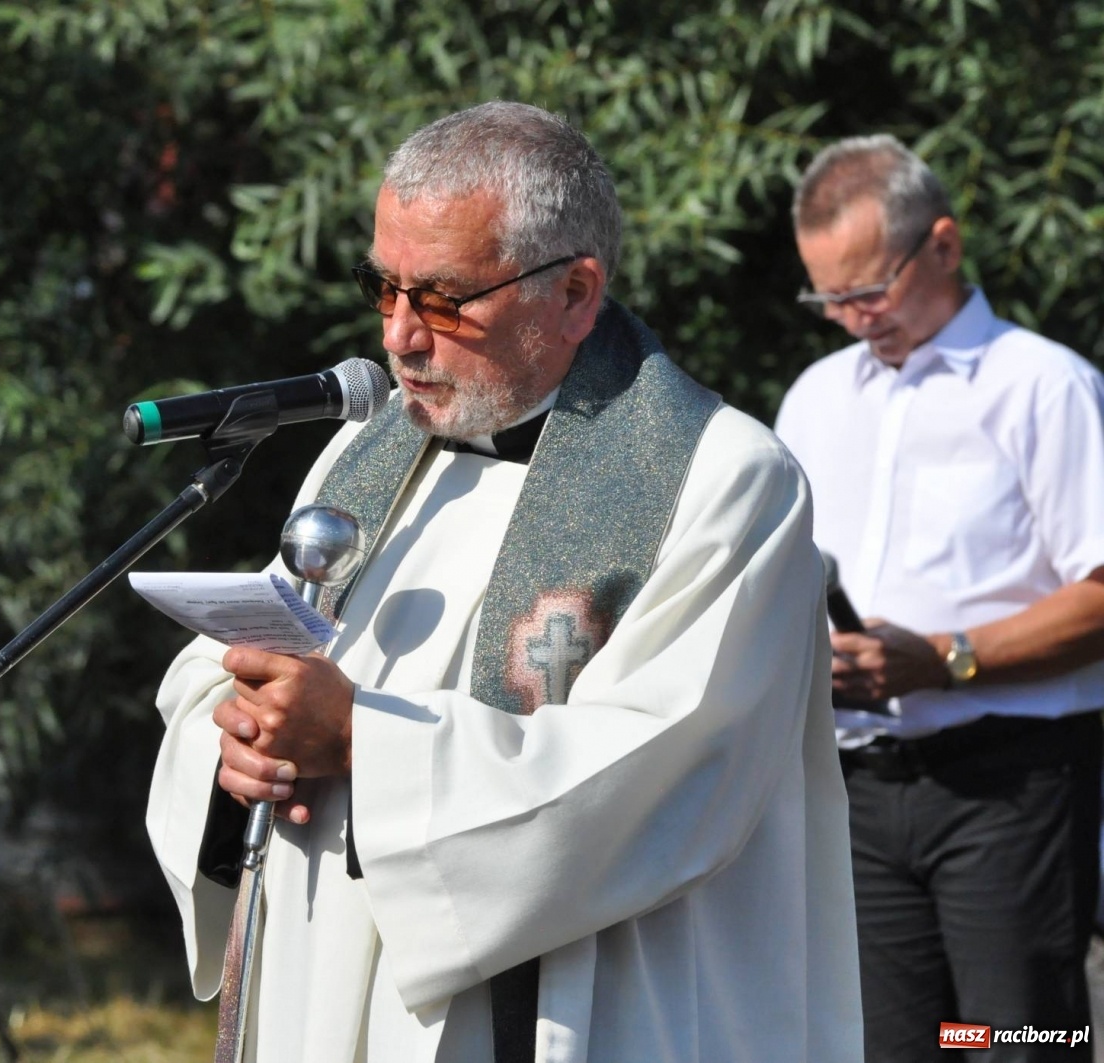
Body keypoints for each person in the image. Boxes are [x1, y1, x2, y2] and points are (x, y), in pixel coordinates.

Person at [146, 101, 862, 1063]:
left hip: (578, 1014)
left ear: (575, 292)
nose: (400, 337)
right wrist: (234, 744)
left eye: (443, 299)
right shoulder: (366, 451)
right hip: (320, 997)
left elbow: (658, 772)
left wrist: (358, 736)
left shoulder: (723, 481)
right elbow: (235, 662)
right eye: (383, 288)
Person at [775, 134, 1104, 1061]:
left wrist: (949, 656)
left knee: (1019, 1040)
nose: (849, 318)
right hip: (862, 792)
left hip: (1006, 787)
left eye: (867, 289)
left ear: (946, 247)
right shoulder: (813, 399)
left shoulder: (1044, 387)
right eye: (827, 297)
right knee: (893, 1047)